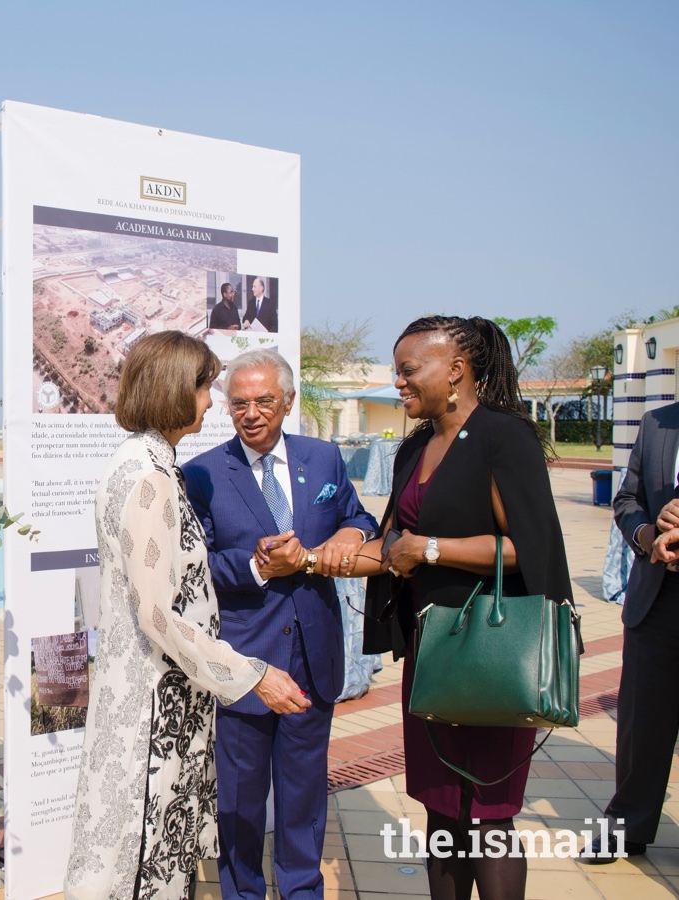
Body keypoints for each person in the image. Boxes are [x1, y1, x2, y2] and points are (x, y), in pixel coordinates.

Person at [65, 331, 304, 900]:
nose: (211, 401)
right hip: (157, 705)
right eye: (205, 387)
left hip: (157, 691)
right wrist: (251, 675)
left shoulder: (147, 463)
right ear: (176, 389)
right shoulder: (150, 477)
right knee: (144, 865)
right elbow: (158, 614)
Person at [353, 315, 573, 899]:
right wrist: (312, 558)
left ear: (456, 370)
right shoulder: (415, 447)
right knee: (441, 811)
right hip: (433, 650)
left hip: (495, 648)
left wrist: (429, 549)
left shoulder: (504, 437)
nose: (399, 382)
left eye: (408, 370)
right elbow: (391, 542)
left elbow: (530, 548)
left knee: (490, 818)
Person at [182, 349, 378, 900]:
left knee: (303, 795)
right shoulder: (201, 475)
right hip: (245, 661)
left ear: (288, 402)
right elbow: (194, 567)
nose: (251, 413)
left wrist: (352, 536)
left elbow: (356, 517)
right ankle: (243, 893)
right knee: (240, 801)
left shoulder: (323, 459)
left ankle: (300, 891)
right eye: (239, 403)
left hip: (314, 657)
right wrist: (255, 565)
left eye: (264, 401)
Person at [581, 400, 679, 862]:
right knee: (642, 723)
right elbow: (627, 501)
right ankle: (628, 826)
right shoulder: (658, 422)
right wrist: (648, 535)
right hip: (657, 598)